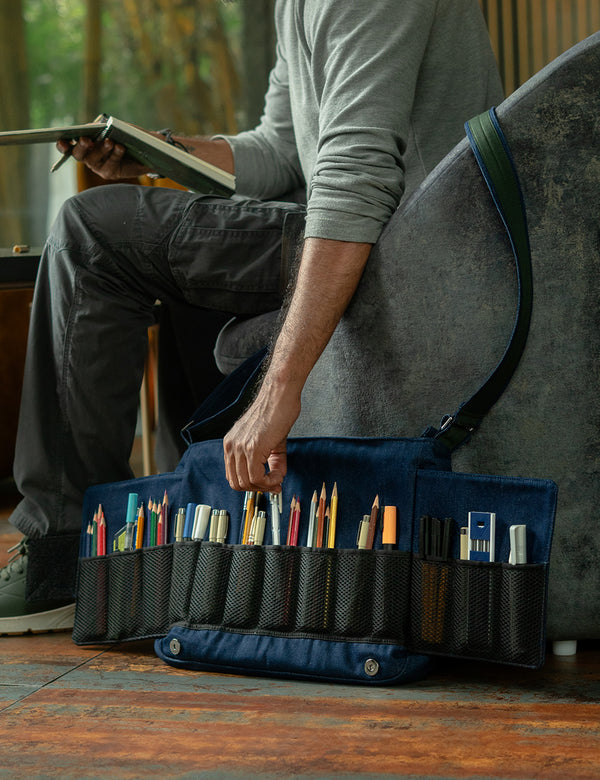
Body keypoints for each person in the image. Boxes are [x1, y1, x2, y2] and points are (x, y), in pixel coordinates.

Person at [0, 0, 503, 634]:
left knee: (94, 231)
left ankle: (64, 553)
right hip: (363, 223)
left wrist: (277, 395)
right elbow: (284, 148)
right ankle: (178, 550)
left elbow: (356, 178)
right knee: (129, 237)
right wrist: (159, 153)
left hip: (407, 246)